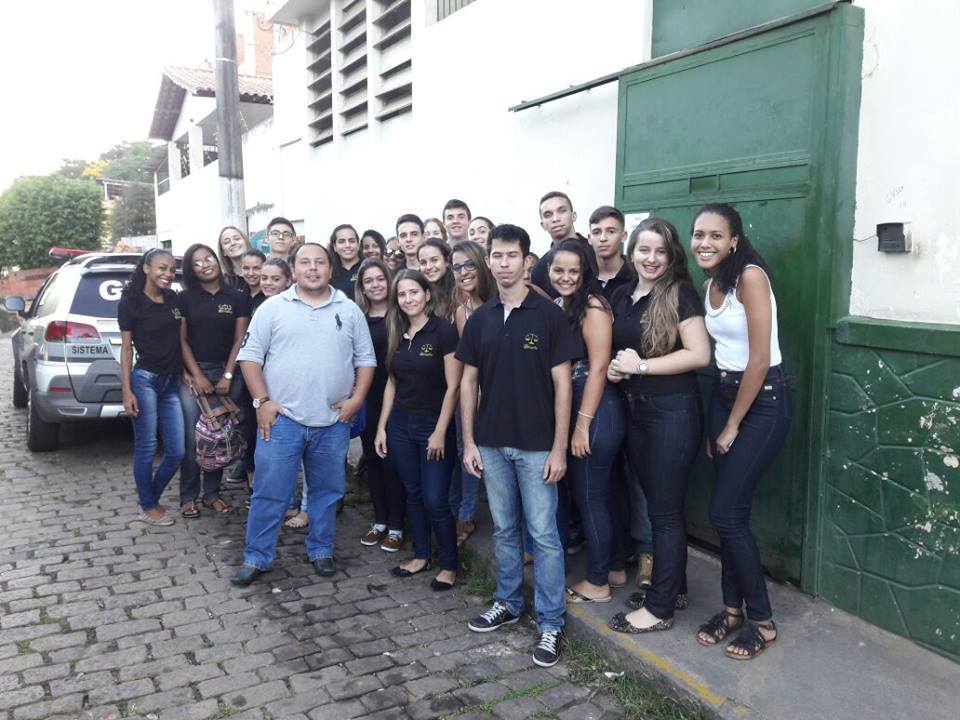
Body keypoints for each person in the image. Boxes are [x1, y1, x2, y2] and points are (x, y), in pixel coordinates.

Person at [458, 224, 579, 668]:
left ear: (527, 261)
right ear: (488, 260)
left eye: (512, 255)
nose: (503, 263)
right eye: (496, 255)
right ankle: (507, 603)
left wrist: (559, 448)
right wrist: (469, 441)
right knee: (505, 530)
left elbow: (563, 385)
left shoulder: (548, 316)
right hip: (490, 443)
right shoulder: (480, 318)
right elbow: (468, 383)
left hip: (536, 446)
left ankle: (550, 624)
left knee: (544, 536)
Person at [231, 242, 375, 586]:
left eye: (320, 262)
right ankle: (257, 556)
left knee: (327, 492)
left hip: (333, 422)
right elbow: (249, 357)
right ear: (293, 270)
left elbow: (365, 360)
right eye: (305, 263)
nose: (313, 268)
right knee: (270, 492)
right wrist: (261, 401)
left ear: (330, 269)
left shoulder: (350, 309)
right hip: (282, 422)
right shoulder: (272, 308)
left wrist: (357, 400)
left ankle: (321, 549)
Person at [690, 203, 790, 660]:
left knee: (726, 514)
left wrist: (731, 425)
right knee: (732, 516)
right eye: (698, 234)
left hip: (764, 401)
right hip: (724, 395)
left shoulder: (750, 277)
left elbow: (759, 358)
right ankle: (732, 611)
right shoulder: (712, 283)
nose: (704, 243)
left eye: (715, 235)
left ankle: (763, 622)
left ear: (734, 240)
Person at [602, 218, 710, 634]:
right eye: (644, 250)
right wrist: (618, 369)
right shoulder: (623, 295)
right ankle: (673, 586)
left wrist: (641, 367)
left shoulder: (680, 293)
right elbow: (624, 353)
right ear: (632, 253)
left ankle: (660, 608)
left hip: (673, 414)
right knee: (658, 505)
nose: (651, 259)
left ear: (672, 256)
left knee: (664, 513)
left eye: (660, 251)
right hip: (637, 411)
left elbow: (699, 354)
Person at [545, 239, 625, 603]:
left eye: (573, 271)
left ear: (585, 273)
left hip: (595, 412)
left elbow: (598, 370)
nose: (565, 277)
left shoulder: (593, 306)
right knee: (599, 497)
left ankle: (597, 583)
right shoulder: (562, 305)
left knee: (591, 499)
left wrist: (581, 426)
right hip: (583, 409)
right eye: (558, 270)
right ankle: (613, 569)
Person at [375, 270, 461, 591]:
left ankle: (449, 565)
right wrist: (382, 427)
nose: (408, 299)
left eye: (414, 292)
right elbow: (392, 383)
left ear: (427, 294)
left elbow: (454, 387)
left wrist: (440, 431)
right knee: (412, 492)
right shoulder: (397, 331)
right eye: (402, 294)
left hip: (432, 425)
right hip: (400, 425)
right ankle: (421, 556)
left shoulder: (444, 332)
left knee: (435, 498)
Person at [176, 244, 251, 518]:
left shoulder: (237, 296)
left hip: (228, 371)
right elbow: (181, 340)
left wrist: (228, 375)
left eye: (208, 258)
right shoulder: (184, 299)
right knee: (193, 437)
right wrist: (197, 375)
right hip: (195, 373)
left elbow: (239, 340)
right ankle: (188, 496)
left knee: (219, 433)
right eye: (197, 262)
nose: (205, 264)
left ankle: (211, 494)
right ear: (191, 270)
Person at [118, 249, 185, 527]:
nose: (167, 274)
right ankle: (148, 506)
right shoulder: (131, 302)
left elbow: (181, 340)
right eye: (161, 268)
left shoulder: (173, 300)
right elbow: (125, 349)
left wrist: (188, 373)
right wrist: (126, 390)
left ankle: (149, 500)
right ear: (146, 268)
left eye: (171, 269)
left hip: (171, 382)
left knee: (177, 451)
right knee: (146, 447)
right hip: (145, 380)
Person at [355, 259, 406, 551]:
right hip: (368, 394)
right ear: (362, 287)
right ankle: (380, 520)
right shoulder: (357, 316)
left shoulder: (400, 313)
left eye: (380, 279)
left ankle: (398, 526)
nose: (375, 285)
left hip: (399, 394)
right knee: (372, 458)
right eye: (368, 281)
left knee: (393, 461)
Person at [449, 241, 496, 546]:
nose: (464, 272)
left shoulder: (506, 297)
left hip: (508, 393)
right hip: (473, 391)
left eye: (469, 264)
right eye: (457, 267)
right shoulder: (463, 311)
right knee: (465, 453)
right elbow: (471, 361)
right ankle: (464, 515)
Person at [225, 248, 267, 486]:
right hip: (241, 371)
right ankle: (252, 482)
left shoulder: (271, 297)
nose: (252, 273)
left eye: (257, 268)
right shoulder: (236, 296)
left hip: (266, 371)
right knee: (247, 427)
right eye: (247, 268)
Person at [530, 192, 598, 298]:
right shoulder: (539, 269)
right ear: (542, 225)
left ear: (573, 216)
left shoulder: (596, 251)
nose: (555, 219)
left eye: (561, 211)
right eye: (548, 215)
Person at [588, 206, 634, 301]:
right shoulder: (582, 276)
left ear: (623, 236)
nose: (603, 238)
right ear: (589, 238)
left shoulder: (636, 275)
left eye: (611, 232)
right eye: (596, 232)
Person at [417, 238, 458, 321]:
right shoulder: (418, 294)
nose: (428, 267)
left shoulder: (459, 292)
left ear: (447, 261)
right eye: (423, 263)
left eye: (434, 260)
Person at [329, 224, 363, 298]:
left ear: (358, 244)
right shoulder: (329, 273)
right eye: (341, 242)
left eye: (352, 241)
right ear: (335, 247)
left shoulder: (368, 267)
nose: (347, 245)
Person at [217, 226, 253, 293]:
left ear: (246, 242)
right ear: (223, 252)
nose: (233, 243)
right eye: (227, 242)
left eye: (237, 239)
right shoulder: (224, 283)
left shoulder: (264, 272)